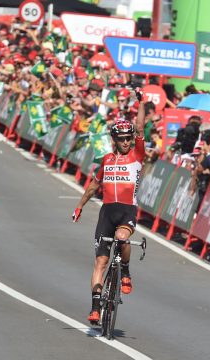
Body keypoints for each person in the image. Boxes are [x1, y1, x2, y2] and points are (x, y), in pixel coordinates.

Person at [72, 91, 146, 324]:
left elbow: (141, 128)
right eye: (121, 138)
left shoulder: (136, 155)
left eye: (128, 138)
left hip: (126, 211)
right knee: (100, 262)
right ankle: (95, 308)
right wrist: (79, 206)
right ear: (114, 140)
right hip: (107, 212)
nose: (126, 142)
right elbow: (94, 185)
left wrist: (141, 103)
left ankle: (125, 269)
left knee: (122, 238)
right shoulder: (106, 160)